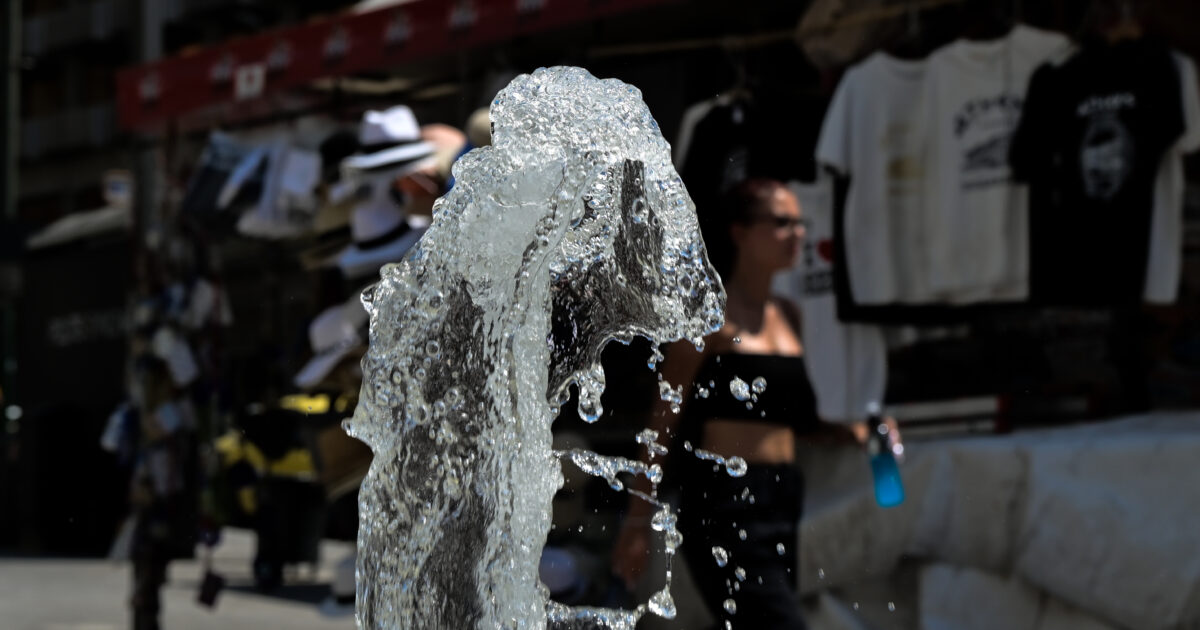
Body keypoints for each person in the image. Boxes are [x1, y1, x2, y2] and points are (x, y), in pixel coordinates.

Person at [612, 178, 888, 629]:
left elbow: (788, 419)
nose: (797, 233)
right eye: (781, 222)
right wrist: (637, 522)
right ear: (740, 232)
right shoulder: (707, 317)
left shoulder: (789, 315)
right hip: (725, 501)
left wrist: (857, 430)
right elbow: (663, 420)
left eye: (799, 222)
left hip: (782, 497)